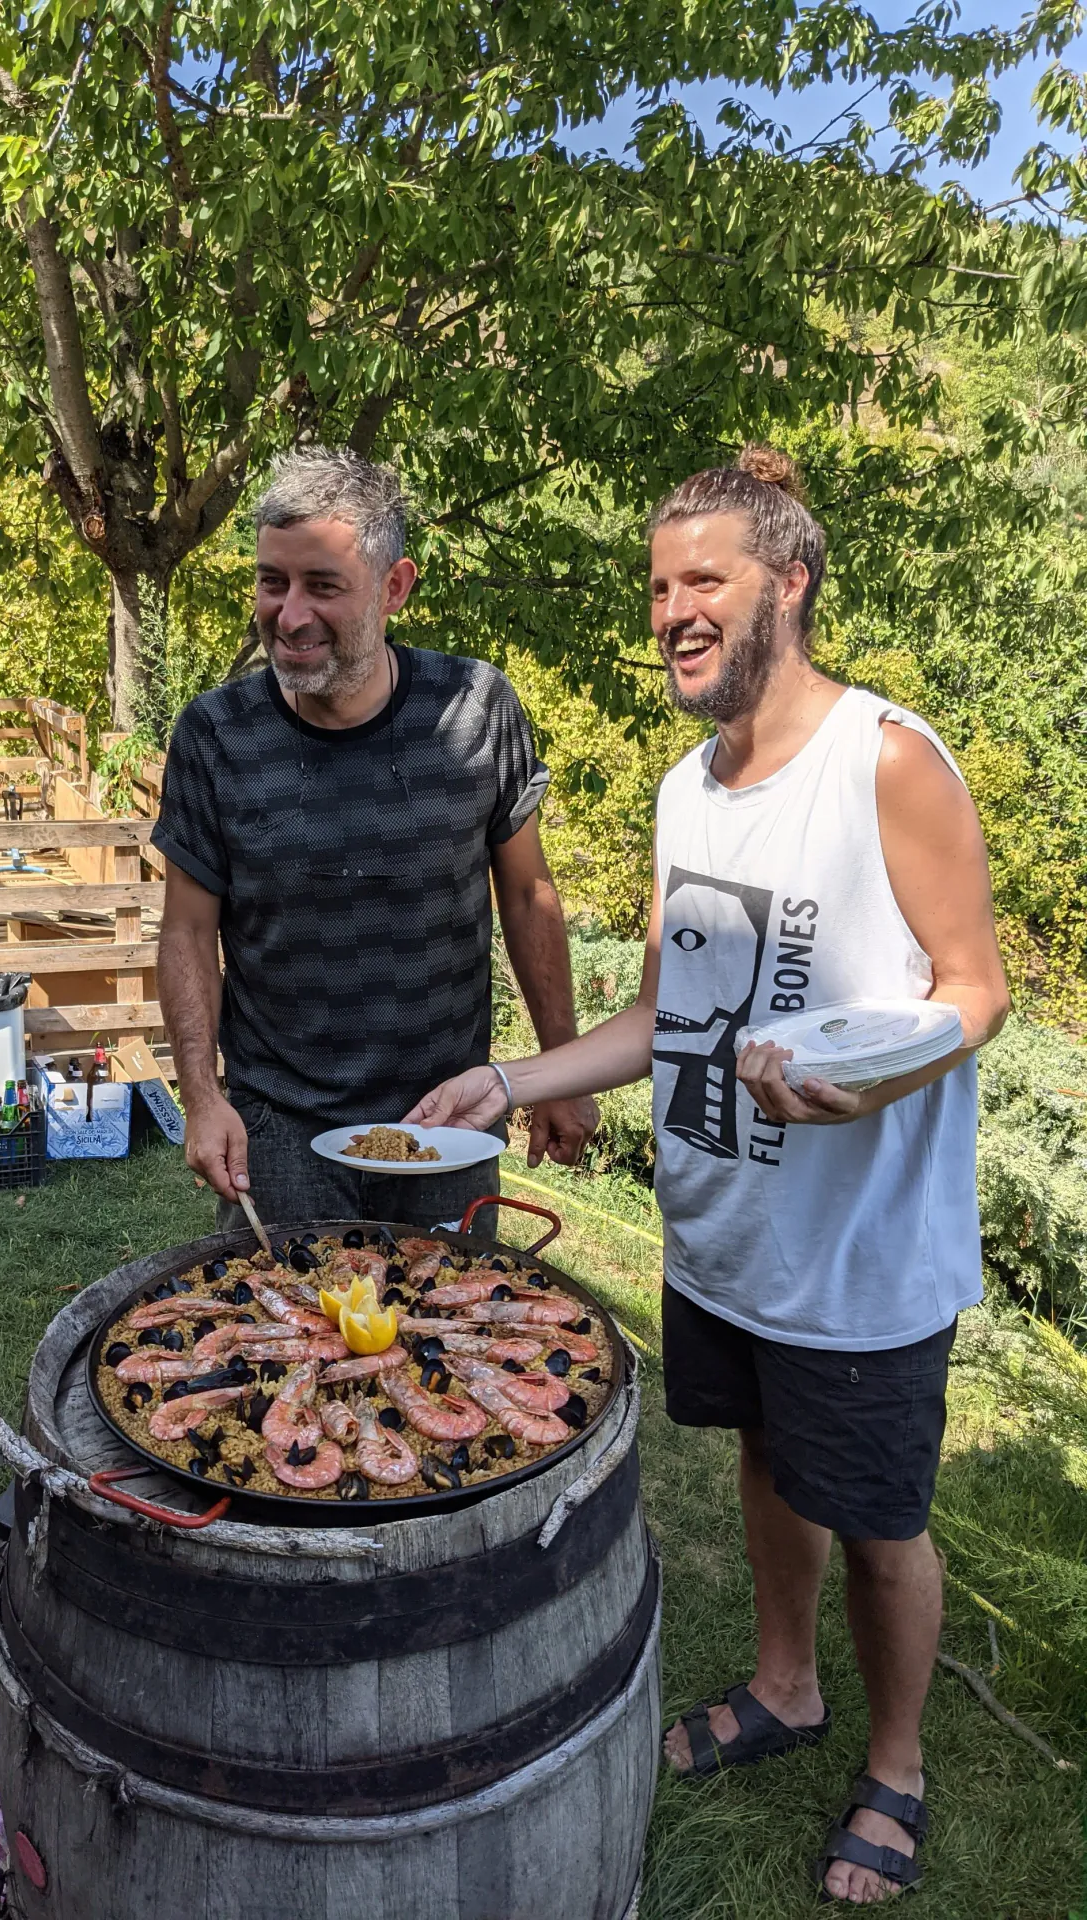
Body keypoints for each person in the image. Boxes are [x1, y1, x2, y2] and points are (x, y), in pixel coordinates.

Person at [406, 446, 1010, 1904]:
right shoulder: (688, 792)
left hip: (857, 1251)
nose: (673, 609)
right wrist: (516, 1077)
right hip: (725, 1233)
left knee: (879, 1521)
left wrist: (866, 1072)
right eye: (660, 585)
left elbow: (975, 988)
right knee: (759, 1466)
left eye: (704, 581)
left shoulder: (886, 760)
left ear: (787, 584)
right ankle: (787, 1688)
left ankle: (900, 1766)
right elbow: (671, 1014)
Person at [152, 445, 599, 1231]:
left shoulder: (475, 709)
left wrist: (559, 1069)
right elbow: (188, 930)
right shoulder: (214, 735)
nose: (288, 616)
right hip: (278, 1132)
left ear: (395, 587)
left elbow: (529, 895)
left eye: (323, 586)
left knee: (449, 1344)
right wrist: (202, 1095)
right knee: (281, 1344)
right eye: (271, 582)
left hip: (446, 1124)